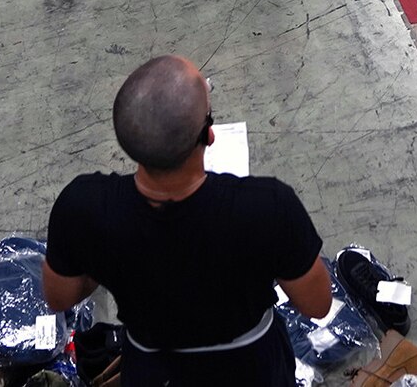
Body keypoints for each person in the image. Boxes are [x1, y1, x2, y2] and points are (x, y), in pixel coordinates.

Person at [43, 56, 332, 386]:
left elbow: (59, 297)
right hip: (252, 367)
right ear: (208, 135)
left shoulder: (83, 207)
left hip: (153, 371)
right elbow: (317, 304)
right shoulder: (267, 207)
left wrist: (110, 258)